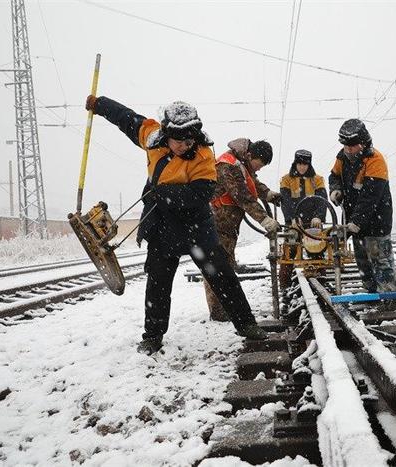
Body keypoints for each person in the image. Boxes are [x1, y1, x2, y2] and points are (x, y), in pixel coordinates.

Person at [85, 95, 267, 355]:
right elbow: (126, 118)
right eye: (179, 140)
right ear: (167, 134)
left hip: (196, 225)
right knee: (158, 283)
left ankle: (247, 324)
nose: (185, 145)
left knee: (222, 276)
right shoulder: (151, 137)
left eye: (189, 140)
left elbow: (200, 195)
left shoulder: (204, 154)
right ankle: (153, 336)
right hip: (162, 225)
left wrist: (161, 194)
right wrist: (99, 104)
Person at [207, 138, 281, 321]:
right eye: (260, 164)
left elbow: (252, 183)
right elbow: (243, 196)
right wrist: (264, 219)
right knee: (217, 269)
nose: (259, 169)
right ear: (250, 155)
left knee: (227, 267)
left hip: (227, 226)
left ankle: (224, 308)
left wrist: (267, 194)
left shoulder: (242, 164)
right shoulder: (228, 165)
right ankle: (217, 312)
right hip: (217, 224)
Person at [328, 119, 396, 311]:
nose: (348, 150)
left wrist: (355, 222)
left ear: (363, 143)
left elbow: (370, 197)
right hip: (354, 219)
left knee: (380, 260)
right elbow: (333, 176)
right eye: (345, 146)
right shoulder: (342, 158)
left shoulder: (376, 160)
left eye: (352, 146)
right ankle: (370, 293)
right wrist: (335, 189)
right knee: (363, 261)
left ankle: (388, 297)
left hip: (377, 220)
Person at [278, 149, 328, 286]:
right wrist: (292, 218)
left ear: (309, 165)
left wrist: (318, 217)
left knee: (317, 249)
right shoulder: (286, 179)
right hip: (294, 222)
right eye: (299, 164)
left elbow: (322, 200)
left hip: (313, 223)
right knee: (290, 250)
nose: (302, 167)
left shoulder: (317, 180)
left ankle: (321, 280)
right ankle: (284, 284)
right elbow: (286, 201)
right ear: (295, 163)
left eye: (305, 164)